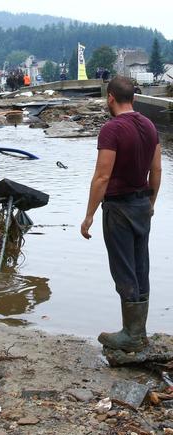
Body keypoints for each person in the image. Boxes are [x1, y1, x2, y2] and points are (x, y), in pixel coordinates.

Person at [81, 76, 161, 352]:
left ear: (110, 97)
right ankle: (139, 331)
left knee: (124, 268)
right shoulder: (150, 126)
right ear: (134, 98)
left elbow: (102, 176)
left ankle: (131, 334)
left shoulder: (112, 129)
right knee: (141, 265)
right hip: (142, 204)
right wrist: (152, 201)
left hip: (119, 207)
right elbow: (157, 170)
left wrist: (89, 215)